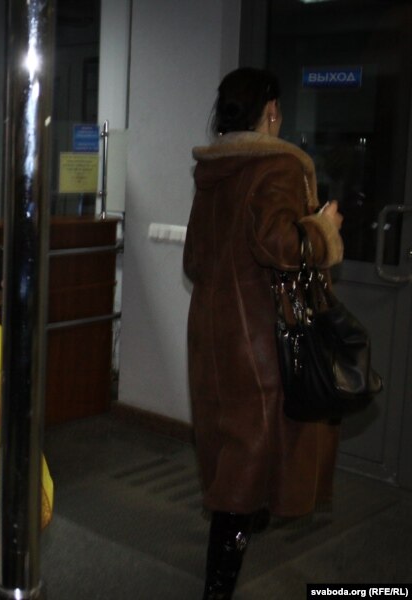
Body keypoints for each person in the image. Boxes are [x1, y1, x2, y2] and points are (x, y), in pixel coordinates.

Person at [183, 67, 344, 600]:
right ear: (271, 110)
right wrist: (323, 229)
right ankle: (217, 590)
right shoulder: (278, 165)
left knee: (232, 454)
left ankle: (231, 554)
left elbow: (193, 259)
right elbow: (280, 245)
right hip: (259, 340)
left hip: (212, 333)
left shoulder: (214, 170)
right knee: (246, 470)